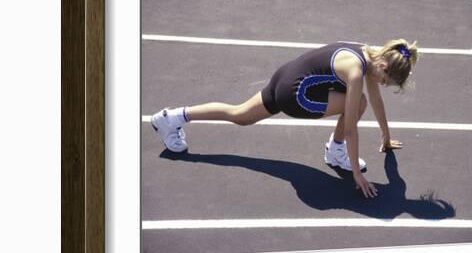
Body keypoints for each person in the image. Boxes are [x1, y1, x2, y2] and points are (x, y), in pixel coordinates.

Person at [151, 39, 418, 199]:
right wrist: (357, 175)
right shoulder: (357, 72)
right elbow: (351, 127)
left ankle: (173, 117)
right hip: (296, 95)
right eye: (385, 80)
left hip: (285, 76)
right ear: (383, 66)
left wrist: (385, 135)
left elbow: (377, 101)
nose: (382, 85)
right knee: (356, 103)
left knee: (240, 115)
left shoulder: (367, 53)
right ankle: (335, 153)